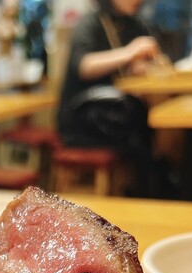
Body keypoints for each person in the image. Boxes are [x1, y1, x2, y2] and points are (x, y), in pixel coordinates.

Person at [56, 0, 171, 197]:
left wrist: (142, 66)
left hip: (118, 114)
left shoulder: (135, 24)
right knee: (138, 124)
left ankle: (152, 188)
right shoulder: (91, 22)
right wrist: (129, 52)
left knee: (144, 120)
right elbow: (84, 65)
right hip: (82, 117)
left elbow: (155, 62)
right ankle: (147, 192)